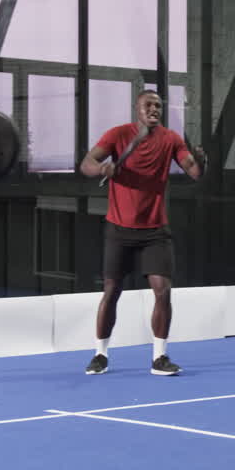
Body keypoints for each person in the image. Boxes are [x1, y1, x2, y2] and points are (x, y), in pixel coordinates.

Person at [79, 90, 203, 376]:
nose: (154, 109)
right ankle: (100, 355)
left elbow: (193, 172)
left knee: (163, 291)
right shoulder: (118, 135)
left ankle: (160, 358)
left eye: (158, 106)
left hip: (154, 231)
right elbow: (86, 164)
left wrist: (200, 161)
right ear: (137, 108)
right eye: (149, 104)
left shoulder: (171, 139)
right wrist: (102, 169)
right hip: (119, 229)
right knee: (111, 291)